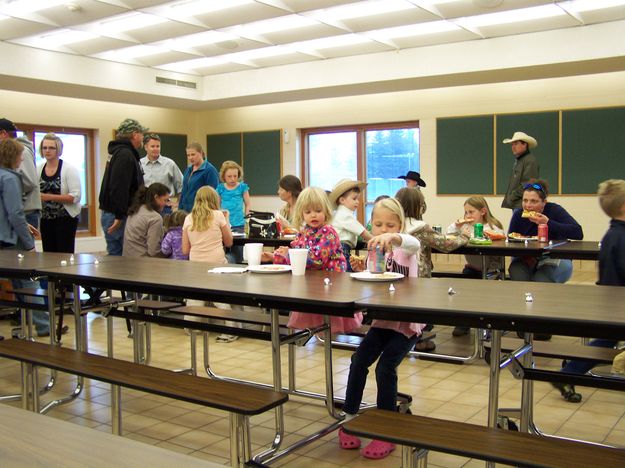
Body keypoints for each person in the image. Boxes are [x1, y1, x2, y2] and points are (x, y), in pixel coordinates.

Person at [339, 197, 422, 460]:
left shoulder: (406, 247)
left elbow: (413, 243)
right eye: (378, 224)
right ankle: (349, 417)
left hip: (408, 322)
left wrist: (396, 238)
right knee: (359, 360)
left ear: (400, 225)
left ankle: (387, 430)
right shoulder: (374, 249)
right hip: (384, 320)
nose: (383, 230)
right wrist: (363, 269)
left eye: (391, 224)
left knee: (385, 367)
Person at [552, 179, 625, 403]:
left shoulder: (614, 234)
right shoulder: (619, 237)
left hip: (613, 301)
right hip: (617, 303)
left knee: (605, 341)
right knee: (605, 341)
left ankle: (569, 373)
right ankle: (568, 373)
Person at [262, 187, 362, 333]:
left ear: (326, 211)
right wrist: (274, 256)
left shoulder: (328, 232)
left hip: (331, 285)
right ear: (302, 214)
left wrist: (288, 254)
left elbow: (316, 260)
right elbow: (296, 257)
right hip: (312, 284)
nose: (313, 215)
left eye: (318, 211)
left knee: (328, 321)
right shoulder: (305, 232)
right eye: (308, 212)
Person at [508, 179, 583, 340]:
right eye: (525, 201)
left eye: (534, 201)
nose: (528, 205)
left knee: (540, 279)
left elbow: (578, 232)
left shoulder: (555, 211)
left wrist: (548, 222)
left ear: (544, 203)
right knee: (516, 272)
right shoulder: (517, 215)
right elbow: (511, 239)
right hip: (526, 259)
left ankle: (542, 326)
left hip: (555, 259)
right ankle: (523, 324)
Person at [395, 187, 469, 349]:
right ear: (418, 206)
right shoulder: (420, 227)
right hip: (418, 275)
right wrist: (464, 236)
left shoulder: (395, 225)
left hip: (396, 272)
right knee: (422, 309)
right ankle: (420, 340)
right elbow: (445, 244)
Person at [0, 139, 50, 338]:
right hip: (12, 241)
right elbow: (15, 213)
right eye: (21, 154)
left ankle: (28, 322)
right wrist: (29, 244)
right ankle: (43, 325)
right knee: (30, 282)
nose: (23, 158)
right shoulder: (10, 179)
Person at [182, 185, 236, 342]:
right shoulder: (218, 215)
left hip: (195, 265)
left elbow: (185, 250)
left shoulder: (188, 218)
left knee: (195, 297)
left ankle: (191, 327)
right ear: (214, 200)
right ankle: (230, 330)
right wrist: (227, 222)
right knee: (221, 298)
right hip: (217, 263)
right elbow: (229, 241)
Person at [446, 196, 504, 336]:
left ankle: (491, 325)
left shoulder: (493, 227)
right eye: (465, 212)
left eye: (471, 212)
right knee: (463, 293)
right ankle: (464, 322)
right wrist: (457, 225)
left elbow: (501, 241)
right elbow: (449, 234)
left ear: (483, 211)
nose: (467, 216)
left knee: (488, 296)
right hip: (472, 268)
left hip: (491, 270)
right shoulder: (466, 227)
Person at [99, 118, 148, 256]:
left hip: (115, 212)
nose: (142, 138)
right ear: (135, 134)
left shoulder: (119, 152)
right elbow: (118, 187)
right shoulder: (125, 155)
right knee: (119, 257)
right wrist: (119, 215)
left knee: (118, 254)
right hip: (117, 215)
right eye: (142, 134)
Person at [37, 133, 82, 253]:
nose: (47, 151)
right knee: (48, 253)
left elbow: (75, 197)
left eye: (51, 148)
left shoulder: (69, 169)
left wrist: (48, 197)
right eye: (44, 147)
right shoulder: (39, 169)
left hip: (65, 219)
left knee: (64, 253)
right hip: (45, 219)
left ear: (58, 150)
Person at [0, 118, 41, 229]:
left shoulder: (21, 151)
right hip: (15, 211)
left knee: (23, 246)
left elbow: (29, 181)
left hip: (25, 212)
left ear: (3, 133)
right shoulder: (9, 152)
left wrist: (9, 194)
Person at [329, 179, 373, 271]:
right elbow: (364, 233)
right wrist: (377, 240)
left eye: (358, 199)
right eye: (354, 199)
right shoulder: (344, 215)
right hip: (342, 248)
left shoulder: (339, 213)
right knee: (347, 274)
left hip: (338, 248)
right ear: (342, 200)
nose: (357, 202)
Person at [140, 134, 183, 216]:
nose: (156, 149)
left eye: (158, 146)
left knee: (164, 229)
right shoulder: (140, 164)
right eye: (152, 146)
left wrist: (177, 203)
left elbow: (181, 185)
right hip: (144, 206)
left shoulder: (170, 164)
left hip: (164, 207)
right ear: (146, 147)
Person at [122, 183, 169, 258]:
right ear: (156, 197)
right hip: (143, 263)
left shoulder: (135, 210)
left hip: (127, 258)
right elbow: (154, 251)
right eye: (165, 200)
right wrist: (169, 252)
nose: (166, 204)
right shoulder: (155, 218)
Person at [501, 131, 539, 209]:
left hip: (522, 205)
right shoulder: (519, 161)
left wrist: (512, 197)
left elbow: (528, 184)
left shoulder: (530, 161)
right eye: (512, 144)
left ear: (524, 144)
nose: (513, 147)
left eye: (516, 144)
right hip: (517, 204)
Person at [179, 142, 218, 213]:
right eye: (188, 155)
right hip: (185, 211)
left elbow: (213, 194)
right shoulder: (188, 170)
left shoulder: (209, 170)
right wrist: (180, 210)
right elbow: (184, 192)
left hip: (201, 212)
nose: (190, 157)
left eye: (193, 154)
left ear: (200, 153)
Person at [217, 160, 250, 232]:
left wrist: (247, 220)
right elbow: (217, 207)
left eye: (235, 176)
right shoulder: (220, 188)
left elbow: (248, 205)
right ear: (224, 176)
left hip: (239, 224)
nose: (233, 179)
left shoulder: (242, 187)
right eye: (229, 176)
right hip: (224, 223)